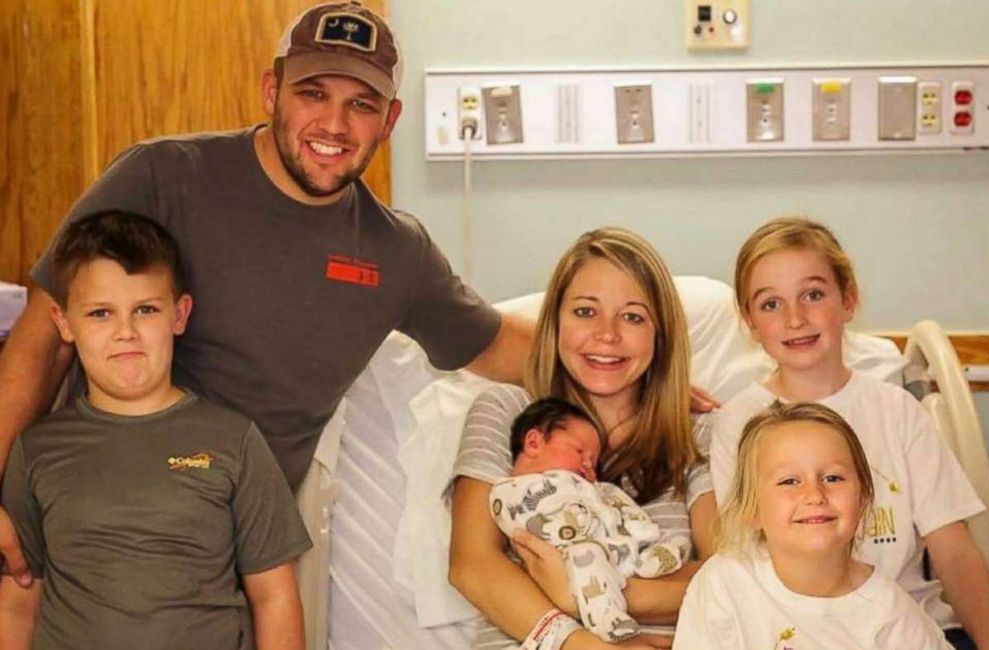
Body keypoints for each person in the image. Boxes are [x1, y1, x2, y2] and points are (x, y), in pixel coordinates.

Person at [0, 1, 533, 584]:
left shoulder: (397, 254)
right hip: (88, 515)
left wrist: (630, 355)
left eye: (361, 104)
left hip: (231, 554)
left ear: (390, 119)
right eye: (313, 94)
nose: (334, 125)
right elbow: (44, 335)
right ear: (270, 90)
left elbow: (500, 343)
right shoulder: (164, 178)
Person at [0, 211, 312, 650]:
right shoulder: (36, 450)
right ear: (65, 323)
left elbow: (275, 596)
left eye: (145, 309)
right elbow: (18, 599)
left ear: (179, 314)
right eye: (100, 313)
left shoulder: (233, 441)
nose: (125, 332)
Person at [707, 216, 989, 649]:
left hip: (915, 629)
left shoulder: (896, 411)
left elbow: (953, 552)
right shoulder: (739, 423)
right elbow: (746, 561)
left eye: (813, 294)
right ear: (749, 322)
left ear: (849, 301)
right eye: (771, 304)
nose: (795, 317)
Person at [450, 227, 718, 650]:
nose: (607, 335)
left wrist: (577, 592)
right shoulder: (508, 413)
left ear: (660, 335)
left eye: (632, 316)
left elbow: (729, 578)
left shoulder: (699, 436)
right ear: (555, 322)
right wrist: (586, 639)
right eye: (585, 312)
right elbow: (473, 566)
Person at [674, 401, 952, 649]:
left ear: (863, 498)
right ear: (752, 509)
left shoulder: (891, 616)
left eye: (833, 478)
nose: (814, 495)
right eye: (789, 481)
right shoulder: (724, 584)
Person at [491, 398, 689, 643]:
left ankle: (653, 557)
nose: (587, 465)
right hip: (571, 552)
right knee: (588, 557)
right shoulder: (514, 491)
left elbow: (618, 505)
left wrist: (632, 523)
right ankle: (606, 615)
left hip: (613, 548)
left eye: (594, 462)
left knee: (662, 543)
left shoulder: (593, 487)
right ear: (533, 442)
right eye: (579, 451)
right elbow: (527, 521)